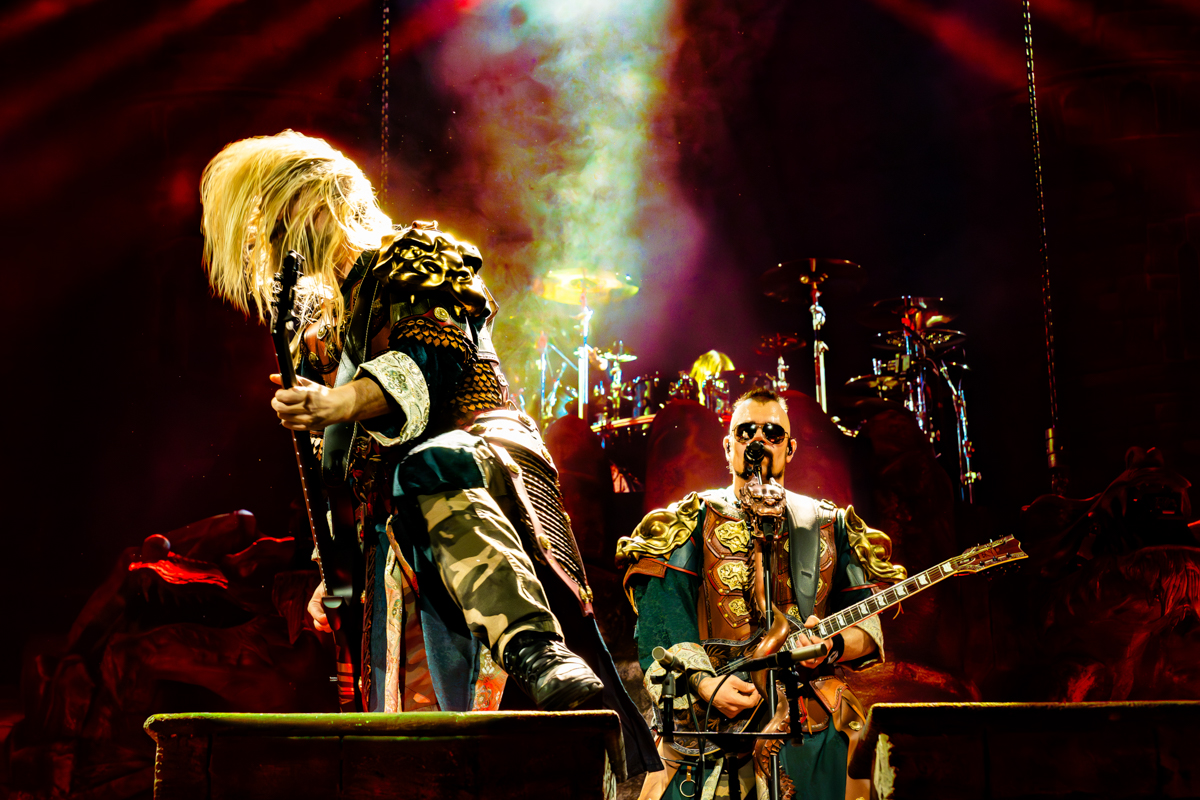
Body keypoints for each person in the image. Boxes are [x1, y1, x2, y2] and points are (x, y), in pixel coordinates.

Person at [200, 130, 660, 782]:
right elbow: (341, 471)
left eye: (278, 227)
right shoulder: (322, 334)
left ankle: (536, 648)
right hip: (396, 522)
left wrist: (337, 402)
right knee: (413, 715)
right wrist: (332, 568)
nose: (273, 251)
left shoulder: (419, 259)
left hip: (481, 462)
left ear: (317, 204)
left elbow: (425, 370)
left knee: (432, 465)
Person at [616, 388, 905, 800]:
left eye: (772, 433)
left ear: (790, 448)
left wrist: (831, 645)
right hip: (710, 725)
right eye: (746, 431)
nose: (758, 440)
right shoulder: (689, 520)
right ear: (728, 446)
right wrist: (704, 684)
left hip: (812, 720)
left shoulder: (830, 523)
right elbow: (665, 616)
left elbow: (867, 624)